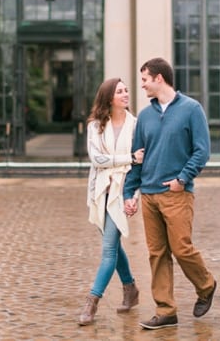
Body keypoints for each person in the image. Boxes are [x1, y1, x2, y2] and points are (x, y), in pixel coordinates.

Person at [123, 57, 217, 330]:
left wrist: (182, 179)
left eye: (144, 80)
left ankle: (206, 284)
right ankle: (166, 311)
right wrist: (131, 191)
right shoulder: (145, 116)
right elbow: (138, 157)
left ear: (159, 78)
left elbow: (202, 150)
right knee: (157, 253)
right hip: (149, 194)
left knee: (181, 248)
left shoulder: (191, 109)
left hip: (177, 193)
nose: (142, 86)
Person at [78, 78, 145, 326]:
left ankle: (91, 302)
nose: (126, 94)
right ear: (108, 97)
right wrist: (128, 157)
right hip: (98, 193)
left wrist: (132, 196)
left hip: (121, 192)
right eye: (120, 91)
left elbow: (140, 167)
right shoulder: (95, 126)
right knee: (114, 247)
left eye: (126, 90)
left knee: (108, 250)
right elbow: (98, 159)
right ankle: (130, 289)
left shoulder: (137, 126)